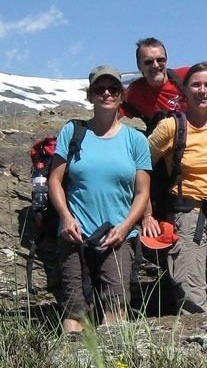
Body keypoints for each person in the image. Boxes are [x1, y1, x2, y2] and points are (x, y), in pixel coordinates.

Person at [48, 65, 152, 333]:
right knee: (74, 311)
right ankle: (72, 358)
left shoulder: (136, 140)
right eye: (99, 89)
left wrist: (125, 227)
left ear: (122, 95)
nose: (107, 93)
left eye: (113, 89)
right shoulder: (73, 132)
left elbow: (142, 192)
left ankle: (114, 360)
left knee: (116, 308)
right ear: (90, 95)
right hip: (75, 234)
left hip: (118, 236)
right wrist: (66, 217)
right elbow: (54, 180)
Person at [143, 62, 207, 317]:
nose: (202, 90)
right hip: (186, 217)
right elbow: (140, 166)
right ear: (185, 90)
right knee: (191, 298)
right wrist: (147, 213)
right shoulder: (171, 127)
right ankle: (196, 345)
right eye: (196, 85)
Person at [122, 37, 186, 133]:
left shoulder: (186, 77)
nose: (155, 65)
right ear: (139, 66)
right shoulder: (135, 92)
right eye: (148, 62)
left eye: (160, 60)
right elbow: (111, 116)